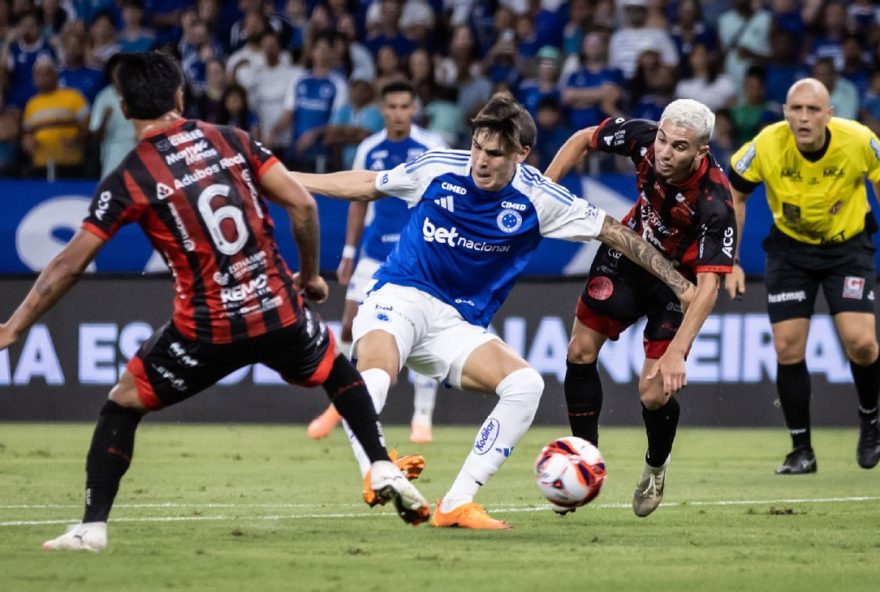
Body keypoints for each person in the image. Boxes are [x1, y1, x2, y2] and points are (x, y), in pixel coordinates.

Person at [0, 52, 429, 552]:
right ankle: (379, 463)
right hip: (276, 307)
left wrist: (14, 325)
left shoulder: (132, 175)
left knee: (121, 405)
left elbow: (68, 265)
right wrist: (310, 276)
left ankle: (92, 527)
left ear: (121, 108)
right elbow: (303, 204)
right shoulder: (232, 139)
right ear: (181, 95)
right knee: (337, 368)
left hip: (207, 327)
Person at [291, 93, 696, 529]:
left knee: (525, 384)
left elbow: (615, 233)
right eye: (477, 149)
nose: (480, 162)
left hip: (457, 325)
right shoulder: (438, 166)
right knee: (377, 370)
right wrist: (290, 180)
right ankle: (376, 466)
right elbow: (367, 184)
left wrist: (678, 283)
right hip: (401, 294)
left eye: (495, 154)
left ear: (521, 154)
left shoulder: (539, 199)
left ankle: (455, 503)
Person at [544, 99, 736, 518]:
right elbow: (582, 139)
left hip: (678, 285)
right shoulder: (643, 137)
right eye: (664, 140)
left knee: (652, 393)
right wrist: (541, 190)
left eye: (679, 147)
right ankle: (583, 462)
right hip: (628, 258)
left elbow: (706, 290)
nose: (665, 152)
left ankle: (655, 466)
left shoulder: (715, 202)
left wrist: (676, 352)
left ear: (701, 152)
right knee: (579, 351)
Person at [726, 78, 880, 475]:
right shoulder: (765, 145)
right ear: (785, 113)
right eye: (797, 109)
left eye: (814, 110)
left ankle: (871, 422)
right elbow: (735, 196)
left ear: (829, 114)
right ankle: (801, 451)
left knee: (861, 342)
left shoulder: (860, 140)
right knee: (787, 348)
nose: (805, 117)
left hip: (848, 249)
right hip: (791, 252)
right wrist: (731, 261)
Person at [307, 81, 447, 443]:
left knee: (421, 334)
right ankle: (340, 402)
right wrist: (350, 252)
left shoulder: (432, 147)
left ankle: (422, 418)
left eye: (405, 106)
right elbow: (358, 199)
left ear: (413, 109)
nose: (399, 113)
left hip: (418, 255)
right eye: (392, 107)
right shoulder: (370, 148)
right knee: (351, 326)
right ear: (382, 110)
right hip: (373, 251)